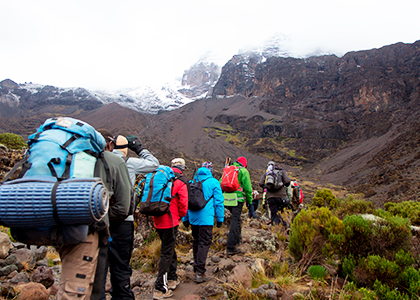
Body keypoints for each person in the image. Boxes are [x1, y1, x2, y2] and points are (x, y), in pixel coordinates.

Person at [58, 129, 132, 300]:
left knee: (69, 281)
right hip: (95, 233)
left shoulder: (71, 158)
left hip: (66, 229)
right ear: (109, 144)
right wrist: (103, 216)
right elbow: (123, 207)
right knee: (96, 284)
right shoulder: (114, 161)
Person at [98, 133, 159, 300]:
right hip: (123, 222)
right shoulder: (129, 163)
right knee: (121, 268)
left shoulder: (95, 161)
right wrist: (139, 148)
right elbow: (154, 164)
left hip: (98, 220)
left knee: (98, 269)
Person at [152, 158, 189, 299]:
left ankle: (172, 278)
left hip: (157, 219)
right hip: (170, 220)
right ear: (182, 168)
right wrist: (180, 216)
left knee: (169, 247)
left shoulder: (161, 179)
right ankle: (160, 288)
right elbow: (184, 204)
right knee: (166, 252)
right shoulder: (180, 182)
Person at [182, 162, 224, 283]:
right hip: (206, 219)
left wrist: (185, 219)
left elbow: (185, 201)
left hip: (193, 218)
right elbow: (219, 202)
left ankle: (197, 267)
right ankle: (199, 272)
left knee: (196, 241)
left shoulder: (191, 183)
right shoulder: (214, 182)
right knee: (204, 243)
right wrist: (220, 219)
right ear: (209, 171)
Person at [224, 156, 252, 255]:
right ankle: (231, 246)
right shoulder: (243, 171)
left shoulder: (228, 169)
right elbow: (248, 188)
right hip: (237, 199)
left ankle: (237, 240)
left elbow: (221, 183)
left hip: (226, 199)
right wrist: (249, 201)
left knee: (236, 220)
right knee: (235, 220)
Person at [258, 161, 291, 228]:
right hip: (281, 197)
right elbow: (287, 181)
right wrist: (282, 185)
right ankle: (285, 229)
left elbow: (260, 183)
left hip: (271, 197)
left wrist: (267, 187)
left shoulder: (267, 173)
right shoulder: (281, 172)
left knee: (274, 214)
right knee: (283, 213)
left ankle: (275, 230)